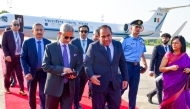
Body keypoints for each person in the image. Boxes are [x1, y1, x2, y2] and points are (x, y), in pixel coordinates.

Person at [84, 25, 128, 109]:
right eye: (103, 36)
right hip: (99, 84)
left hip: (114, 84)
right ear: (99, 36)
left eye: (108, 35)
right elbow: (87, 63)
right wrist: (91, 76)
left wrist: (125, 78)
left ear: (112, 34)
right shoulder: (93, 46)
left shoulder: (118, 45)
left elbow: (122, 63)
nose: (106, 38)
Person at [42, 23, 80, 109]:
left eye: (71, 37)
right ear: (59, 34)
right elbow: (45, 66)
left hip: (69, 87)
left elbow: (77, 65)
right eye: (66, 37)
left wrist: (75, 73)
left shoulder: (74, 49)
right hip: (53, 87)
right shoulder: (50, 47)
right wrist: (62, 69)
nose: (68, 40)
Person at [20, 23, 51, 109]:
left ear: (44, 31)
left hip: (44, 72)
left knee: (43, 94)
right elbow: (23, 58)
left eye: (41, 30)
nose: (39, 32)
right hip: (31, 72)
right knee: (31, 93)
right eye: (37, 30)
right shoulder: (27, 43)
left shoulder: (48, 43)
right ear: (33, 31)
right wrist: (26, 72)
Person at [121, 19, 148, 109]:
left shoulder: (141, 41)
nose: (138, 29)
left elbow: (142, 54)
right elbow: (119, 54)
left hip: (136, 67)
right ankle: (110, 105)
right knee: (122, 88)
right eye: (136, 27)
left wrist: (145, 64)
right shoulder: (125, 40)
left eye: (139, 27)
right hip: (126, 66)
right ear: (131, 28)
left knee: (134, 90)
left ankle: (131, 107)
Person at [159, 35, 190, 109]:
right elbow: (161, 68)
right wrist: (170, 68)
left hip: (182, 84)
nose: (174, 45)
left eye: (176, 43)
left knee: (180, 102)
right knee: (170, 101)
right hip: (170, 84)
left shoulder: (185, 56)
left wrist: (189, 70)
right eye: (172, 43)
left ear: (181, 44)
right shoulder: (168, 55)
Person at [70, 25, 93, 109]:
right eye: (82, 31)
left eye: (85, 31)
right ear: (79, 32)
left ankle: (77, 100)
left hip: (86, 67)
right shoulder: (73, 42)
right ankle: (76, 104)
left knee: (82, 86)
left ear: (88, 32)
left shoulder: (91, 42)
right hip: (76, 67)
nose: (83, 33)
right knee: (76, 86)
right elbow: (71, 54)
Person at [1, 20, 26, 95]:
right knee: (8, 74)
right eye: (14, 24)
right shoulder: (6, 33)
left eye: (18, 25)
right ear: (11, 25)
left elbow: (22, 46)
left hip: (18, 57)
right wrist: (6, 55)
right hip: (10, 57)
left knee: (20, 74)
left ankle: (22, 89)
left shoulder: (21, 34)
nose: (16, 26)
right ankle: (7, 88)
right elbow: (4, 45)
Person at [147, 33, 171, 104]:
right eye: (163, 38)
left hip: (168, 70)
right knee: (159, 87)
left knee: (163, 86)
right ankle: (161, 104)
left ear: (169, 39)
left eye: (166, 38)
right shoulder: (157, 47)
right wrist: (151, 70)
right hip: (158, 70)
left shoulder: (171, 47)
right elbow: (153, 59)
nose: (164, 39)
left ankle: (150, 94)